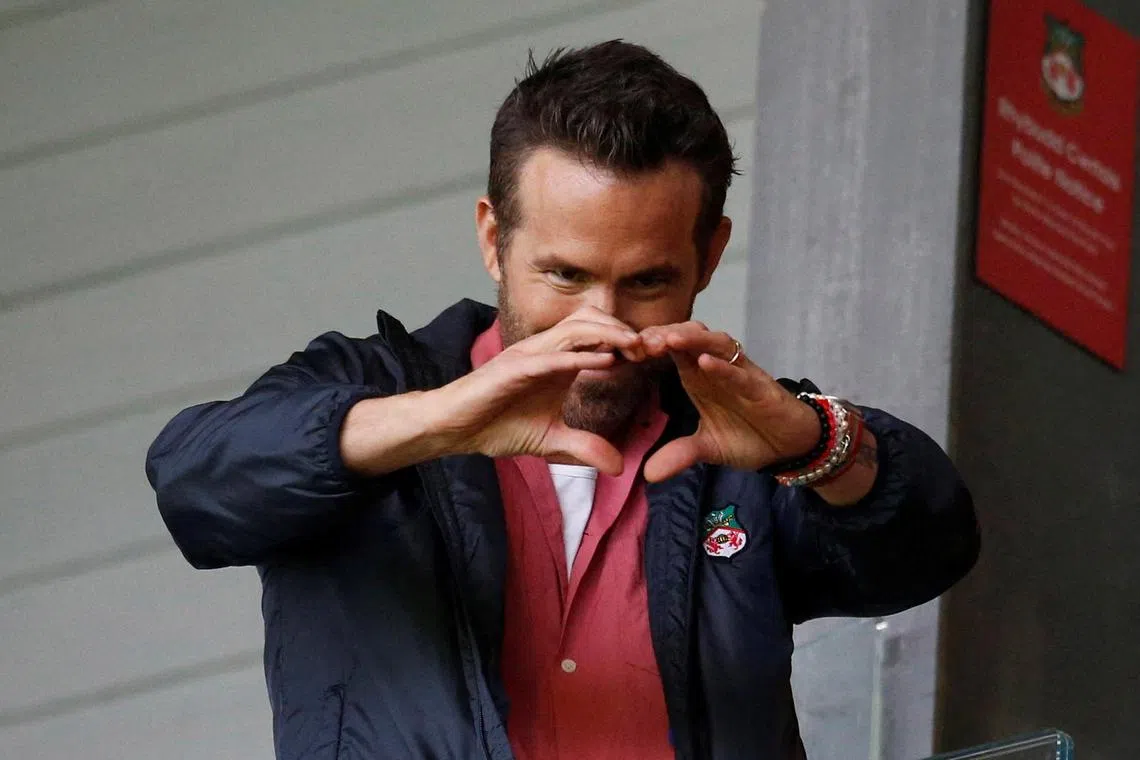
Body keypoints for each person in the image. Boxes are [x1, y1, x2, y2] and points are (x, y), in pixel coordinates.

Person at [145, 41, 979, 760]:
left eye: (648, 282)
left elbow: (931, 548)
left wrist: (814, 443)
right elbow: (195, 483)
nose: (602, 323)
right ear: (492, 239)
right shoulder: (378, 391)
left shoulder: (735, 436)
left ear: (710, 255)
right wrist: (442, 420)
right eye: (566, 275)